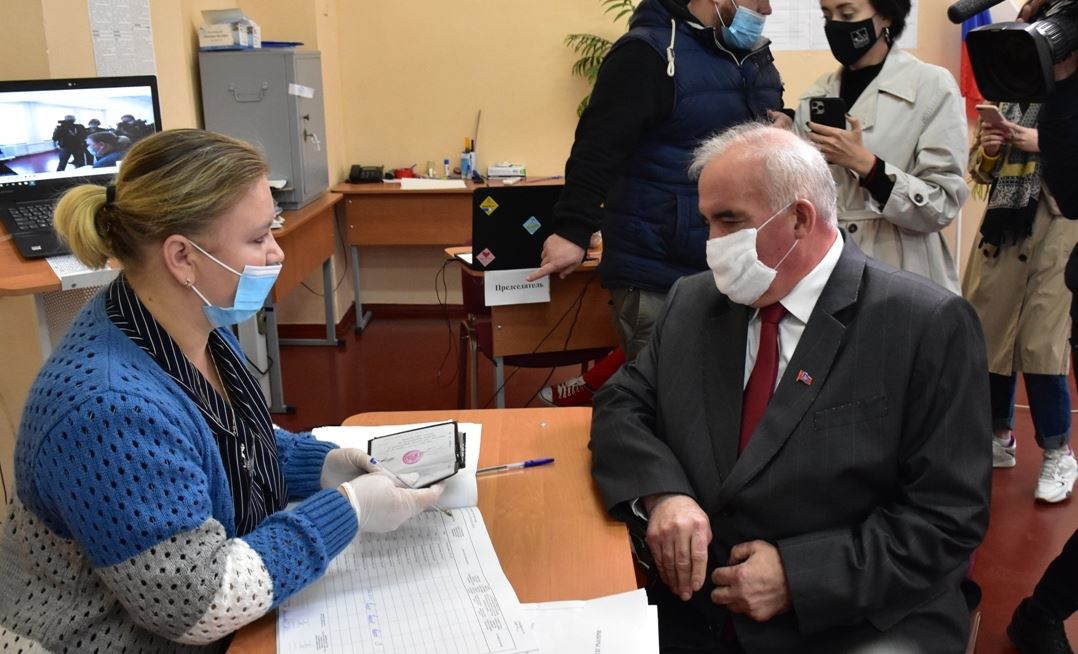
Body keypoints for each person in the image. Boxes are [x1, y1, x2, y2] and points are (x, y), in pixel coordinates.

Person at [0, 129, 443, 652]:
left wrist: (327, 465)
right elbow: (197, 603)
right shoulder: (107, 408)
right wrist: (349, 510)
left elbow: (232, 441)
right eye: (257, 239)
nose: (276, 253)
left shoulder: (188, 321)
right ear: (182, 258)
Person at [590, 124, 991, 652]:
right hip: (697, 609)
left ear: (800, 218)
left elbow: (948, 517)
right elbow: (621, 403)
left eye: (730, 220)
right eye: (708, 222)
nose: (712, 244)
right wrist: (664, 495)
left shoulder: (923, 324)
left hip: (855, 617)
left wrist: (801, 578)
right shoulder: (694, 302)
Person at [529, 0, 787, 406]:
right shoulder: (648, 52)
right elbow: (598, 146)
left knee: (726, 405)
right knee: (667, 403)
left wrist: (783, 126)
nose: (767, 9)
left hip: (734, 263)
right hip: (658, 267)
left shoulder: (753, 59)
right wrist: (572, 229)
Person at [795, 0, 968, 293]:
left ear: (886, 15)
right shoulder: (816, 97)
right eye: (827, 16)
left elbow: (942, 205)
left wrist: (868, 166)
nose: (835, 26)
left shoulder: (931, 86)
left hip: (905, 272)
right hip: (829, 271)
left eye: (847, 14)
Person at [963, 101, 1078, 503]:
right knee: (990, 336)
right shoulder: (1011, 98)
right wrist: (991, 149)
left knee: (1041, 344)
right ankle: (998, 435)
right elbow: (979, 170)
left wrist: (1045, 142)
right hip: (1004, 228)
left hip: (1061, 227)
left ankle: (1058, 452)